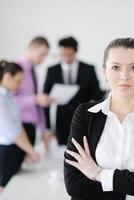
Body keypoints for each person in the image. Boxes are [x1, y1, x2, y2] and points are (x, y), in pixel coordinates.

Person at [64, 38, 134, 200]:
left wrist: (97, 173)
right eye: (116, 67)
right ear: (104, 72)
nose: (124, 76)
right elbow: (74, 185)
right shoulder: (84, 115)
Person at [44, 36, 105, 145]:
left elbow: (97, 96)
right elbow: (45, 100)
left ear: (75, 52)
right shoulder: (52, 70)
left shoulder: (88, 69)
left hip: (84, 118)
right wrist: (47, 127)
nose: (66, 57)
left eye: (69, 54)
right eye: (63, 54)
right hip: (61, 122)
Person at [0, 60, 39, 192]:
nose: (19, 85)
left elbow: (18, 125)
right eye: (18, 81)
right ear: (7, 77)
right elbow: (13, 132)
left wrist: (28, 150)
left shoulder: (8, 96)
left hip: (14, 151)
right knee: (5, 191)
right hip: (5, 152)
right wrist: (32, 152)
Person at [13, 36, 53, 152]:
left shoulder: (33, 71)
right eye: (42, 54)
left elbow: (37, 103)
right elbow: (9, 101)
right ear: (32, 48)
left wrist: (43, 130)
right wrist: (35, 99)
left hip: (31, 128)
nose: (43, 59)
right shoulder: (15, 69)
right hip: (19, 129)